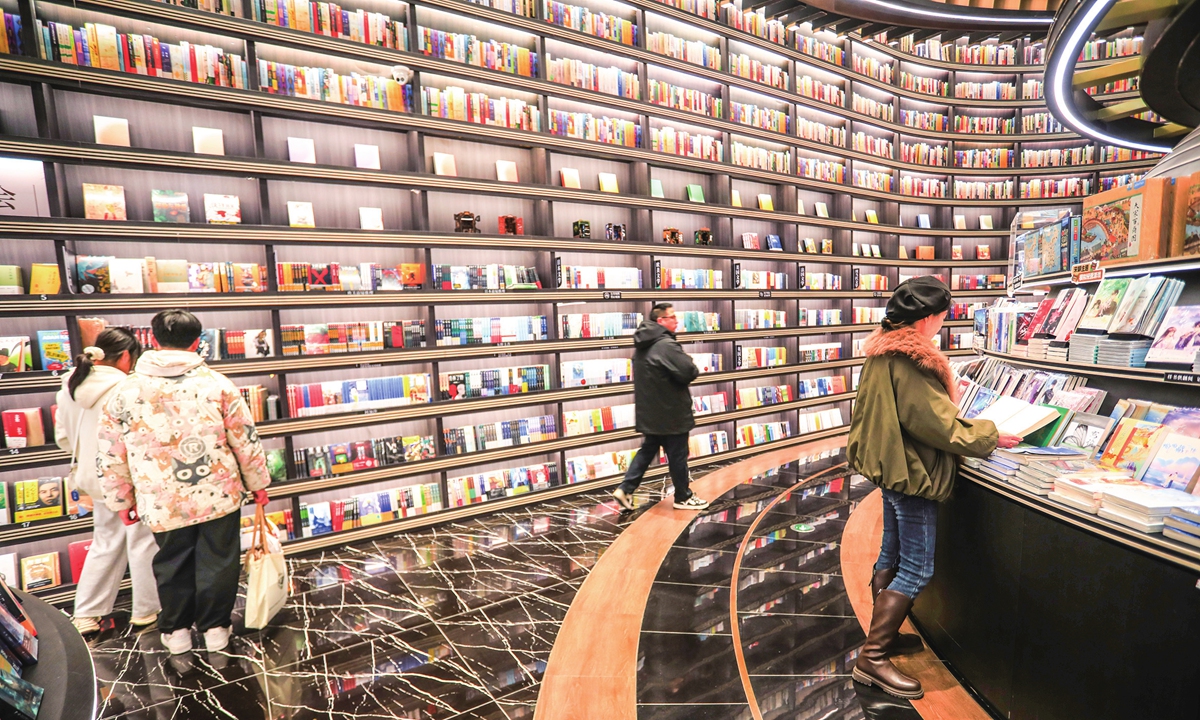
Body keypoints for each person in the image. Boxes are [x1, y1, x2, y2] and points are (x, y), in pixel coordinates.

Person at [847, 277, 1022, 699]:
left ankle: (884, 638)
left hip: (892, 466)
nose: (942, 324)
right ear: (927, 318)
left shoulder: (882, 351)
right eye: (942, 317)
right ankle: (872, 658)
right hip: (914, 472)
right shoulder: (912, 361)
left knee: (891, 553)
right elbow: (937, 424)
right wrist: (990, 435)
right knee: (918, 567)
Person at [97, 310, 272, 655]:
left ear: (153, 340)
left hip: (161, 498)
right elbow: (245, 440)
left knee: (171, 561)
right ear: (196, 342)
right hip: (218, 492)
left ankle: (176, 631)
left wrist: (121, 500)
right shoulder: (218, 385)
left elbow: (110, 452)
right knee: (219, 561)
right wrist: (258, 484)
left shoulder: (125, 391)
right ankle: (216, 629)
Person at [55, 328, 161, 635]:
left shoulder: (70, 384)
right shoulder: (127, 387)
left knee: (105, 542)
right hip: (128, 477)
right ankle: (146, 611)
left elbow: (63, 438)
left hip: (92, 477)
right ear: (126, 356)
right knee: (142, 541)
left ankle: (86, 614)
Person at [612, 303, 709, 512]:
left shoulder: (643, 344)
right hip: (671, 411)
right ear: (661, 321)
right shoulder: (666, 345)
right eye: (672, 317)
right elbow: (689, 371)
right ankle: (683, 496)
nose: (677, 321)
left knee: (648, 450)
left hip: (650, 412)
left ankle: (626, 488)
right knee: (678, 454)